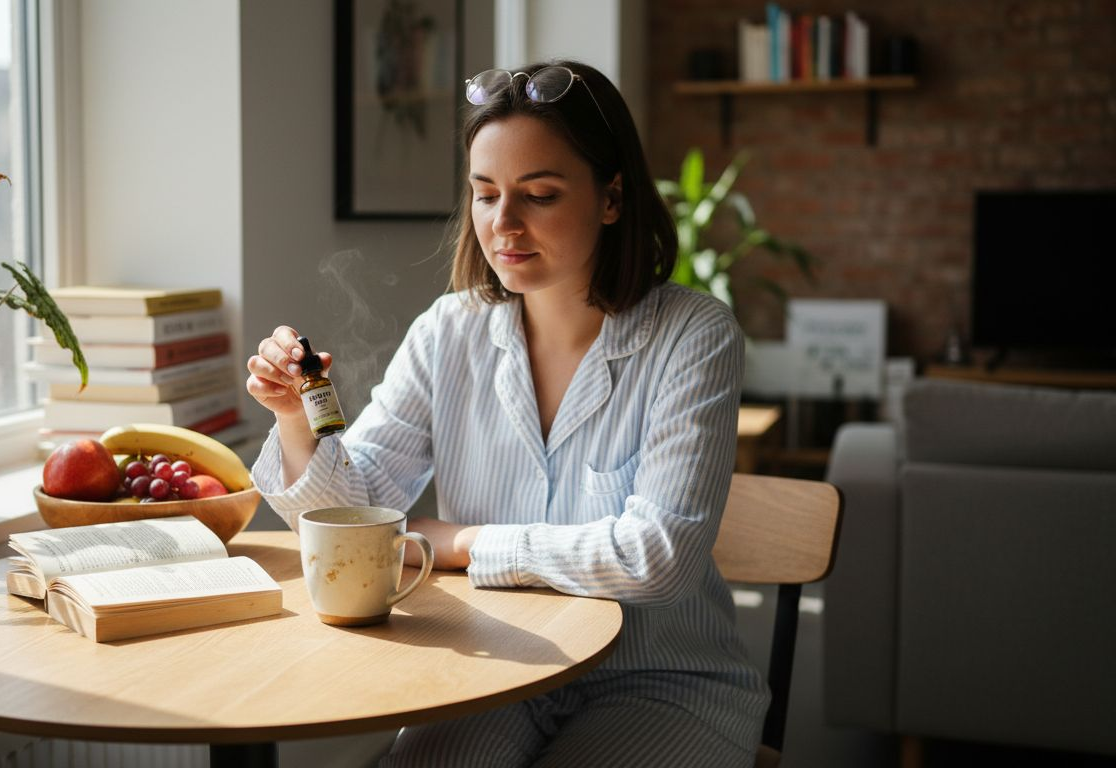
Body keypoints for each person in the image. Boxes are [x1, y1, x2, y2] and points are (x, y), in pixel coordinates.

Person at [245, 60, 766, 767]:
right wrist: (294, 419)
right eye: (484, 194)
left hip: (661, 681)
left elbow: (656, 559)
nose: (503, 224)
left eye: (539, 195)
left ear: (612, 198)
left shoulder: (694, 337)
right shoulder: (447, 332)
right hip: (499, 671)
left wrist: (460, 543)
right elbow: (361, 510)